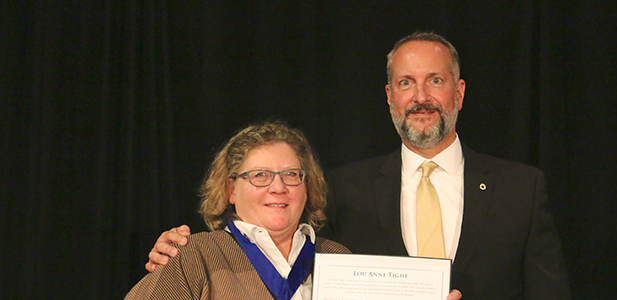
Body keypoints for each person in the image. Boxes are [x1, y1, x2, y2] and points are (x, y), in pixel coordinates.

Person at [147, 32, 571, 299]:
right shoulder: (344, 190)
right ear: (390, 95)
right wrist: (175, 250)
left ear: (459, 92)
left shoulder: (522, 189)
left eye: (435, 81)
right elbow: (277, 251)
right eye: (406, 82)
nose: (420, 95)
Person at [125, 121, 350, 300]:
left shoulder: (338, 258)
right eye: (260, 176)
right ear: (231, 190)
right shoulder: (195, 256)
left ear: (307, 188)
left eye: (291, 174)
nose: (279, 188)